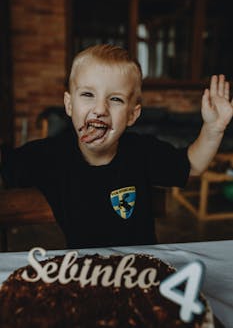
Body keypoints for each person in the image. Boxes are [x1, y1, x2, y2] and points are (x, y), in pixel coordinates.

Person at [1, 44, 232, 248]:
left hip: (139, 271)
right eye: (88, 94)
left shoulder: (142, 152)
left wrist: (213, 129)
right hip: (85, 273)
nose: (100, 109)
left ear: (132, 115)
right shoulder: (50, 155)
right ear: (69, 105)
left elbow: (192, 166)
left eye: (115, 99)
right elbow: (8, 165)